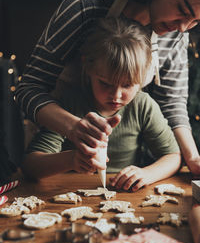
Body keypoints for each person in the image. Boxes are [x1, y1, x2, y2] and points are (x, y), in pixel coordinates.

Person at [16, 0, 200, 175]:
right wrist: (73, 128)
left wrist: (193, 158)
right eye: (182, 9)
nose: (183, 28)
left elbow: (172, 104)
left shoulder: (177, 32)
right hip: (56, 137)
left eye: (195, 21)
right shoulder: (90, 0)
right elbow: (29, 87)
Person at [21, 17, 181, 191]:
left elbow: (173, 157)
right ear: (88, 67)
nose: (116, 95)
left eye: (127, 85)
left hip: (123, 197)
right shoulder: (69, 103)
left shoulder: (143, 106)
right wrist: (72, 160)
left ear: (143, 75)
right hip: (68, 193)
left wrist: (147, 174)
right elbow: (30, 166)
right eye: (105, 83)